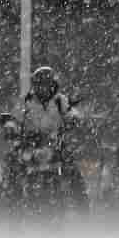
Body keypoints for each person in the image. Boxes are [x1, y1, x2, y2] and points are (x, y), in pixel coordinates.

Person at [14, 66, 88, 211]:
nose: (43, 88)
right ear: (35, 86)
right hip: (32, 144)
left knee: (72, 168)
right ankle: (11, 206)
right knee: (14, 167)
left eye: (46, 84)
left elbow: (71, 112)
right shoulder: (26, 101)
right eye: (40, 84)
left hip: (55, 142)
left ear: (53, 85)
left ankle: (82, 206)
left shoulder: (60, 101)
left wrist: (74, 119)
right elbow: (15, 118)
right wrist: (12, 128)